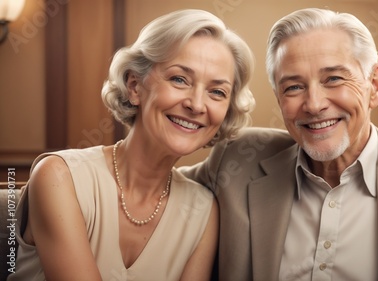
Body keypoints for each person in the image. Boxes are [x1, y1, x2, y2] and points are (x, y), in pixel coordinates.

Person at [179, 7, 378, 281]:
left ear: (373, 85)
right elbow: (153, 195)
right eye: (293, 87)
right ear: (278, 99)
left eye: (333, 79)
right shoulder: (239, 160)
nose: (314, 104)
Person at [8, 9, 255, 281]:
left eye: (216, 92)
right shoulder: (59, 176)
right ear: (135, 86)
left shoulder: (203, 210)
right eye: (179, 79)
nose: (196, 104)